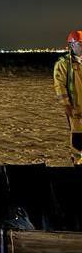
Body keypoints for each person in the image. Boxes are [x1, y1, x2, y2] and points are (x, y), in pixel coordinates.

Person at [53, 30, 82, 165]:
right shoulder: (64, 63)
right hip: (75, 108)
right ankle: (78, 164)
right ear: (71, 45)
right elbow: (60, 85)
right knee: (78, 139)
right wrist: (65, 104)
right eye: (80, 44)